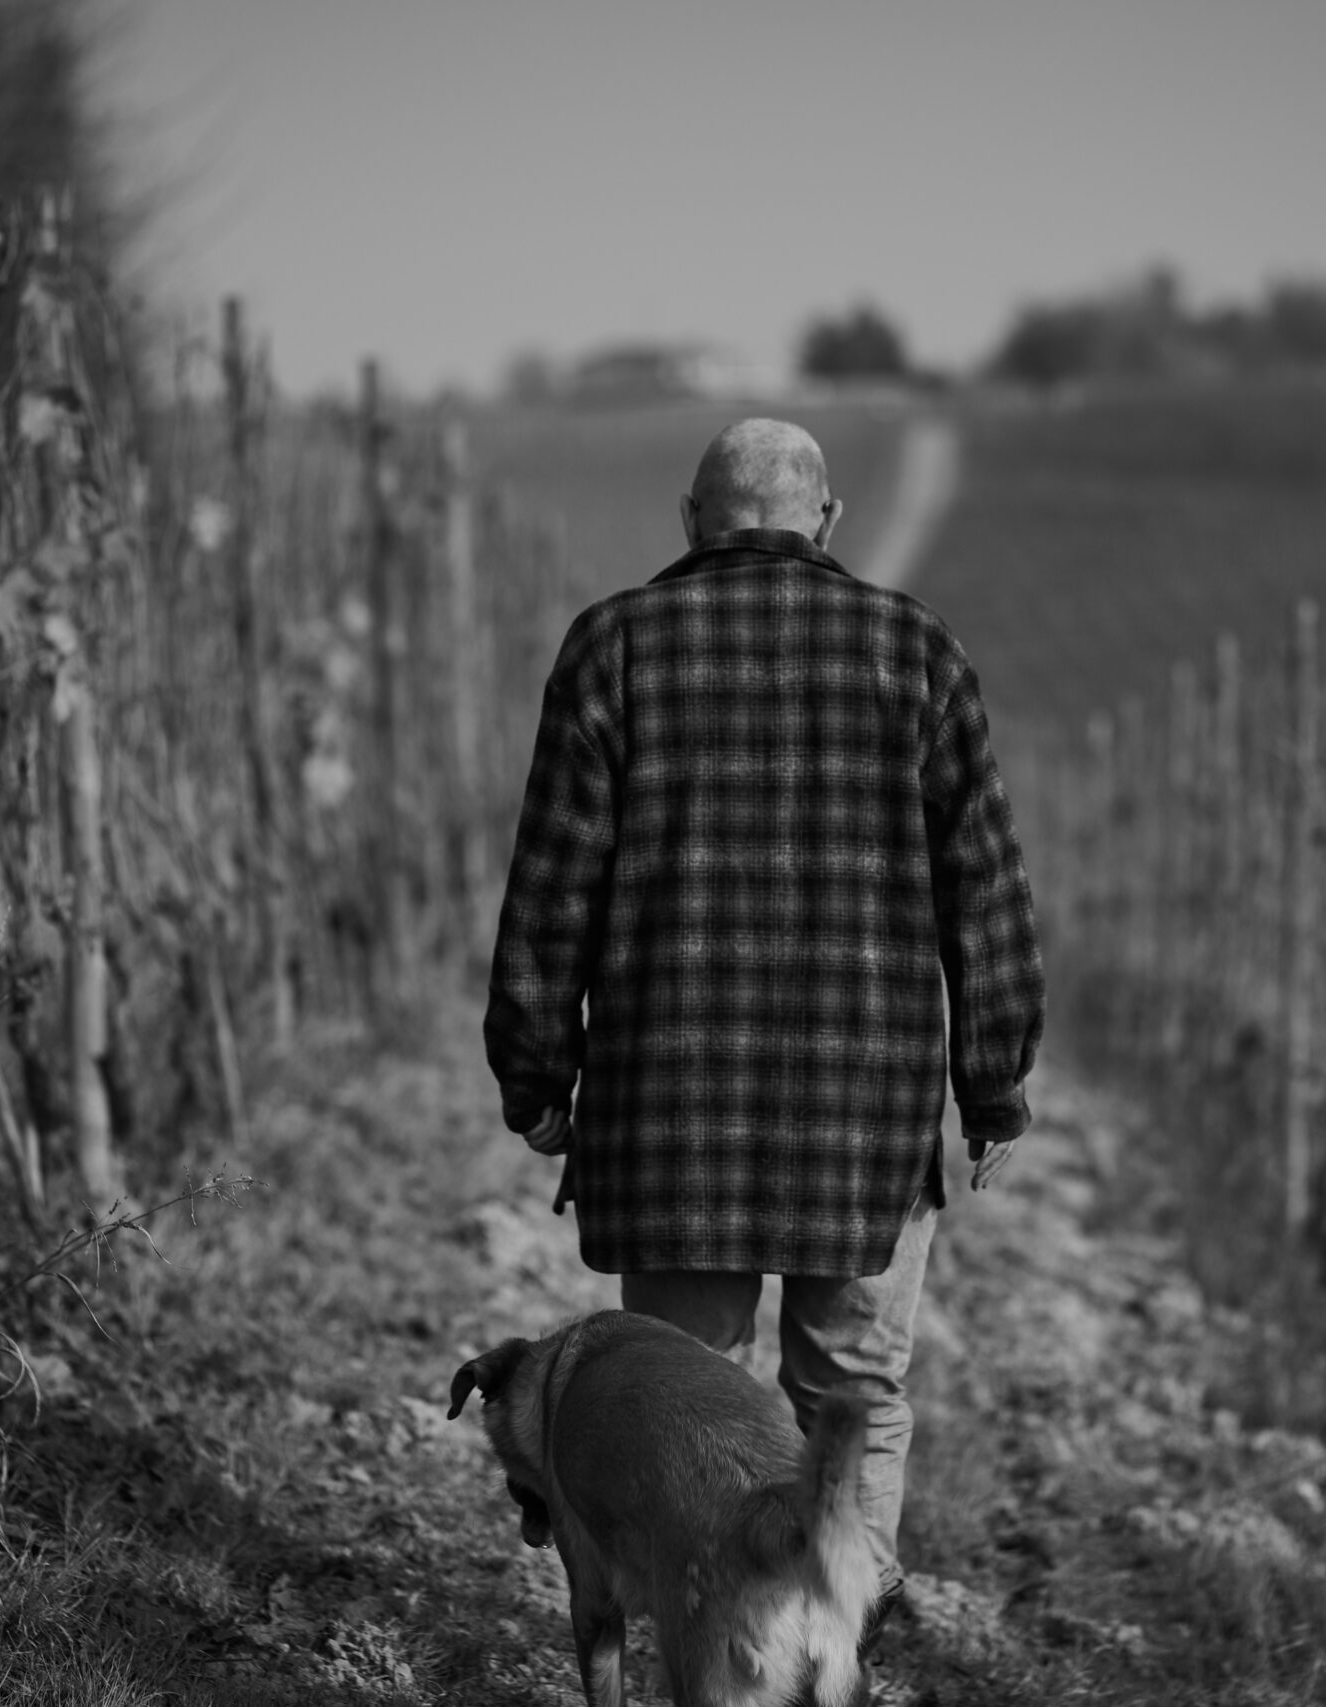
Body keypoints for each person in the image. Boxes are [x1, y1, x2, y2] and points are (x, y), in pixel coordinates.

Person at [485, 416, 1045, 1633]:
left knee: (682, 1396)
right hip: (864, 1110)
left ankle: (710, 1636)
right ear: (827, 521)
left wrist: (535, 1077)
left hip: (670, 1103)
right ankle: (831, 1634)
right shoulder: (918, 654)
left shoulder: (614, 646)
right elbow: (984, 890)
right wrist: (992, 1086)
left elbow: (550, 888)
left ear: (692, 522)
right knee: (853, 1389)